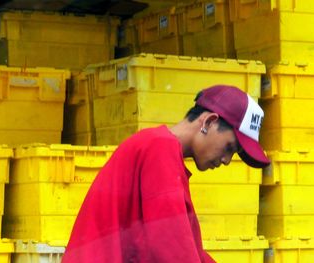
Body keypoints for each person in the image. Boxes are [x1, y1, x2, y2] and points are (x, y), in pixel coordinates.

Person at [62, 85, 270, 263]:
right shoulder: (160, 148)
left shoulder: (160, 148)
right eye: (229, 147)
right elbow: (171, 247)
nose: (226, 160)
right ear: (208, 122)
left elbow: (188, 250)